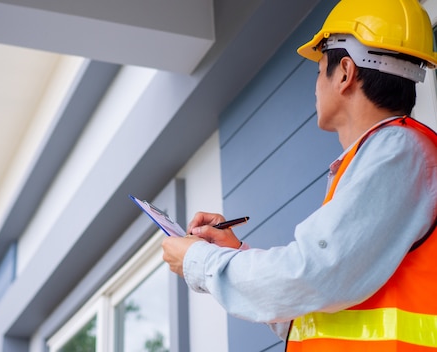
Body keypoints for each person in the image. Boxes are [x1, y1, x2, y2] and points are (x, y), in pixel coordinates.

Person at [162, 0, 437, 350]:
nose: (316, 85)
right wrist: (237, 253)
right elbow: (311, 303)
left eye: (319, 70)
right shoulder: (387, 156)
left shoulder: (399, 151)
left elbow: (312, 275)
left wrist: (199, 262)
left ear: (345, 73)